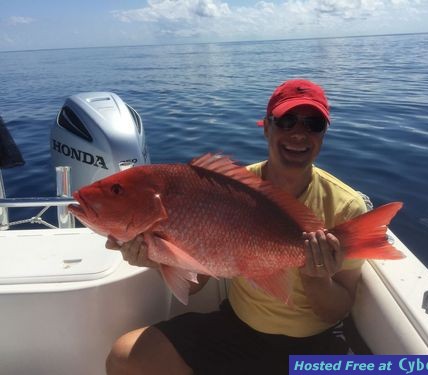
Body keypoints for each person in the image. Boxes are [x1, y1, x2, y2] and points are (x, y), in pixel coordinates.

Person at [105, 79, 367, 375]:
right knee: (126, 356)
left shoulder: (347, 207)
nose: (298, 133)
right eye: (287, 121)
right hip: (239, 330)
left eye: (313, 124)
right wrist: (157, 259)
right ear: (267, 127)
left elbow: (338, 311)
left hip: (314, 344)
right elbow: (196, 285)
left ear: (323, 134)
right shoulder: (226, 188)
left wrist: (316, 278)